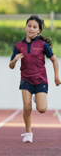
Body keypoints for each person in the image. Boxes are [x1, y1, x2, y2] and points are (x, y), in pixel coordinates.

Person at [9, 15, 60, 143]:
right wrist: (14, 60)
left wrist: (56, 76)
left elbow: (54, 60)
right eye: (29, 26)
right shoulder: (18, 45)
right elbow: (11, 66)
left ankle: (36, 96)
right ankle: (28, 132)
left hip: (40, 80)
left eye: (34, 27)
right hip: (26, 79)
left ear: (39, 31)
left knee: (42, 109)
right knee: (27, 107)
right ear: (25, 27)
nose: (31, 29)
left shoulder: (42, 45)